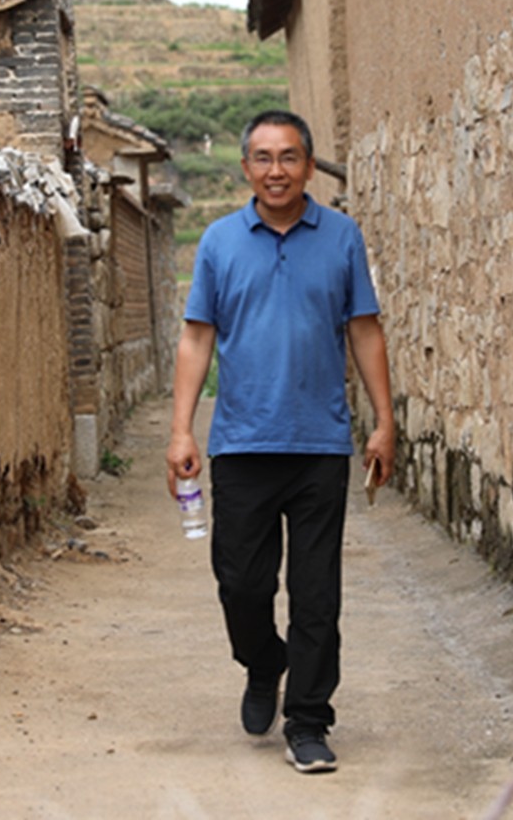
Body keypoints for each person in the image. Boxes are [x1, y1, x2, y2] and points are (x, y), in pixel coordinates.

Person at [167, 109, 395, 775]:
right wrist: (181, 430)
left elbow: (365, 329)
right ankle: (264, 662)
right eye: (263, 158)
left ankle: (308, 720)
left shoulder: (341, 237)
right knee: (241, 584)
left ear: (309, 166)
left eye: (289, 157)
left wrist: (383, 421)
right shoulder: (218, 242)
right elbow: (197, 337)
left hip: (320, 444)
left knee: (317, 593)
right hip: (241, 445)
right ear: (246, 168)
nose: (276, 170)